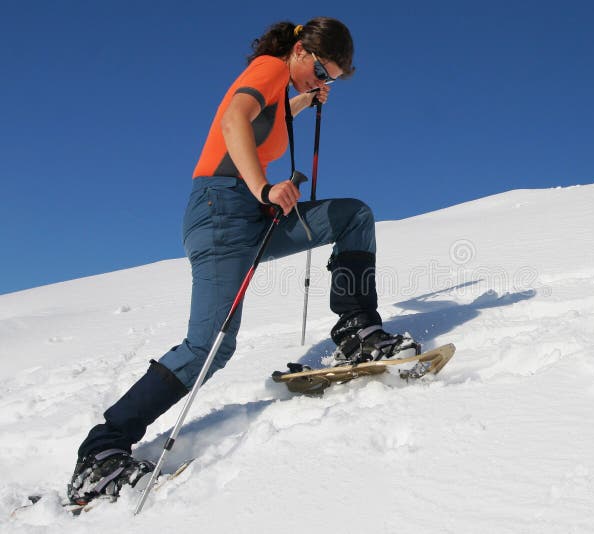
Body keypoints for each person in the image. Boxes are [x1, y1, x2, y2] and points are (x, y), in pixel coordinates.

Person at [67, 17, 417, 505]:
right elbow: (235, 120)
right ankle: (100, 453)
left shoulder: (283, 88)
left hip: (252, 213)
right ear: (299, 50)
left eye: (330, 79)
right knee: (207, 346)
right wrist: (264, 187)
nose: (322, 81)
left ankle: (358, 330)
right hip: (222, 212)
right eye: (319, 70)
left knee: (353, 216)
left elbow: (268, 121)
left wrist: (304, 101)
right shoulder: (270, 67)